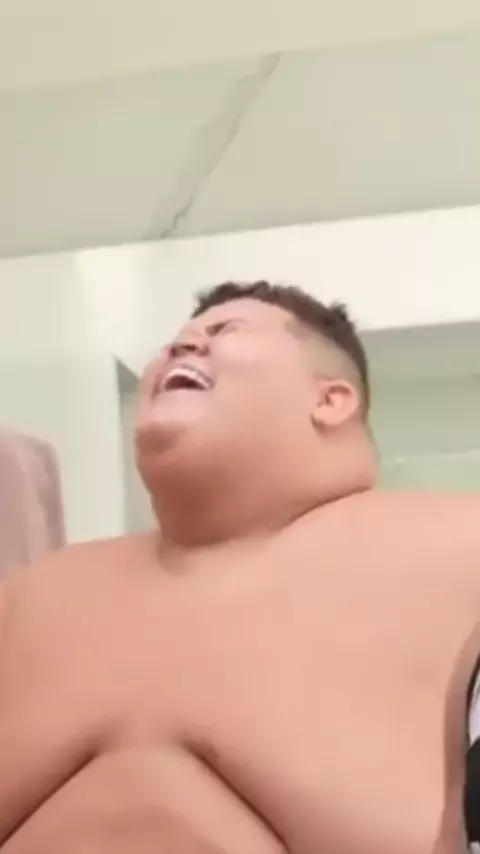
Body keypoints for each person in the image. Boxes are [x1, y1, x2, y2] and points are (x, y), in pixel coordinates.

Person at [0, 280, 479, 854]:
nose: (181, 347)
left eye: (224, 331)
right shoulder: (33, 595)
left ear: (330, 401)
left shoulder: (460, 551)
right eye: (175, 342)